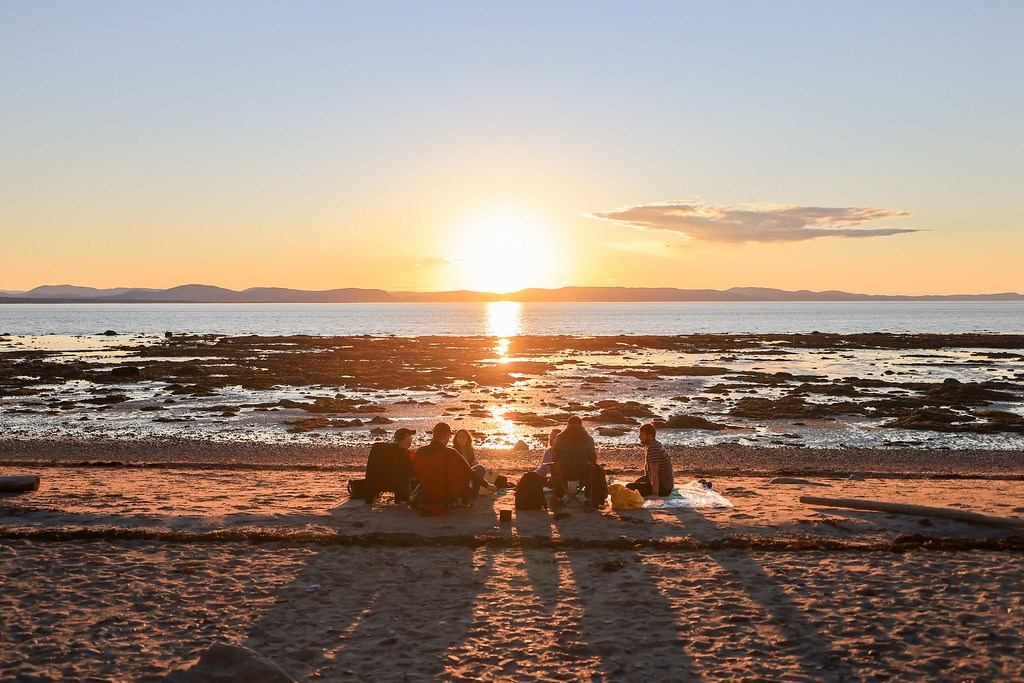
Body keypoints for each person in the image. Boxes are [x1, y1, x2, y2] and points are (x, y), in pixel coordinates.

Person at [413, 422, 496, 507]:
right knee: (480, 468)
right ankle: (467, 501)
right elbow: (470, 472)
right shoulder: (450, 452)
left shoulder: (420, 451)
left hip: (428, 492)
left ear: (434, 434)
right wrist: (487, 485)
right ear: (447, 436)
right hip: (448, 493)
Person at [551, 416, 606, 509]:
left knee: (554, 467)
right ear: (581, 425)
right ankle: (588, 499)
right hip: (583, 473)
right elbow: (593, 458)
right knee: (597, 471)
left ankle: (559, 497)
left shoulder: (559, 437)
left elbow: (553, 456)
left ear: (568, 425)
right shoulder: (589, 439)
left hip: (563, 473)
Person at [363, 427, 417, 504]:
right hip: (398, 485)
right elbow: (408, 472)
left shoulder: (385, 451)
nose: (412, 439)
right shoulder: (404, 455)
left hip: (380, 482)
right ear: (405, 438)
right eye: (410, 437)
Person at [626, 423, 674, 498]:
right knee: (635, 484)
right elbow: (648, 468)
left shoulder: (653, 449)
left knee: (629, 487)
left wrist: (655, 494)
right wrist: (646, 479)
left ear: (650, 436)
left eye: (642, 434)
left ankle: (655, 492)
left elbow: (655, 473)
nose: (639, 437)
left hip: (664, 488)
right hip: (665, 485)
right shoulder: (653, 444)